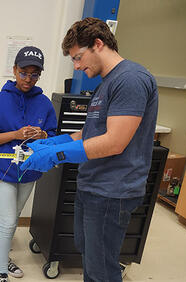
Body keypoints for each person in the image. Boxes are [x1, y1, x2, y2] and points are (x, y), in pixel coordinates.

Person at [21, 17, 158, 282]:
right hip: (93, 185)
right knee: (89, 254)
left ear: (98, 44)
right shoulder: (105, 85)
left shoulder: (130, 79)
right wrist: (52, 142)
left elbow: (114, 142)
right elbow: (89, 134)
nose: (77, 65)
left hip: (112, 191)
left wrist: (55, 155)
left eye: (78, 57)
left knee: (101, 270)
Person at [0, 46, 57, 282]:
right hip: (3, 171)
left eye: (34, 74)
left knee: (13, 217)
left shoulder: (44, 103)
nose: (28, 79)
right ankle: (1, 272)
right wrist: (15, 134)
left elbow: (52, 135)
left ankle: (0, 256)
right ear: (14, 70)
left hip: (31, 171)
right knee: (9, 221)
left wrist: (41, 135)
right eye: (23, 72)